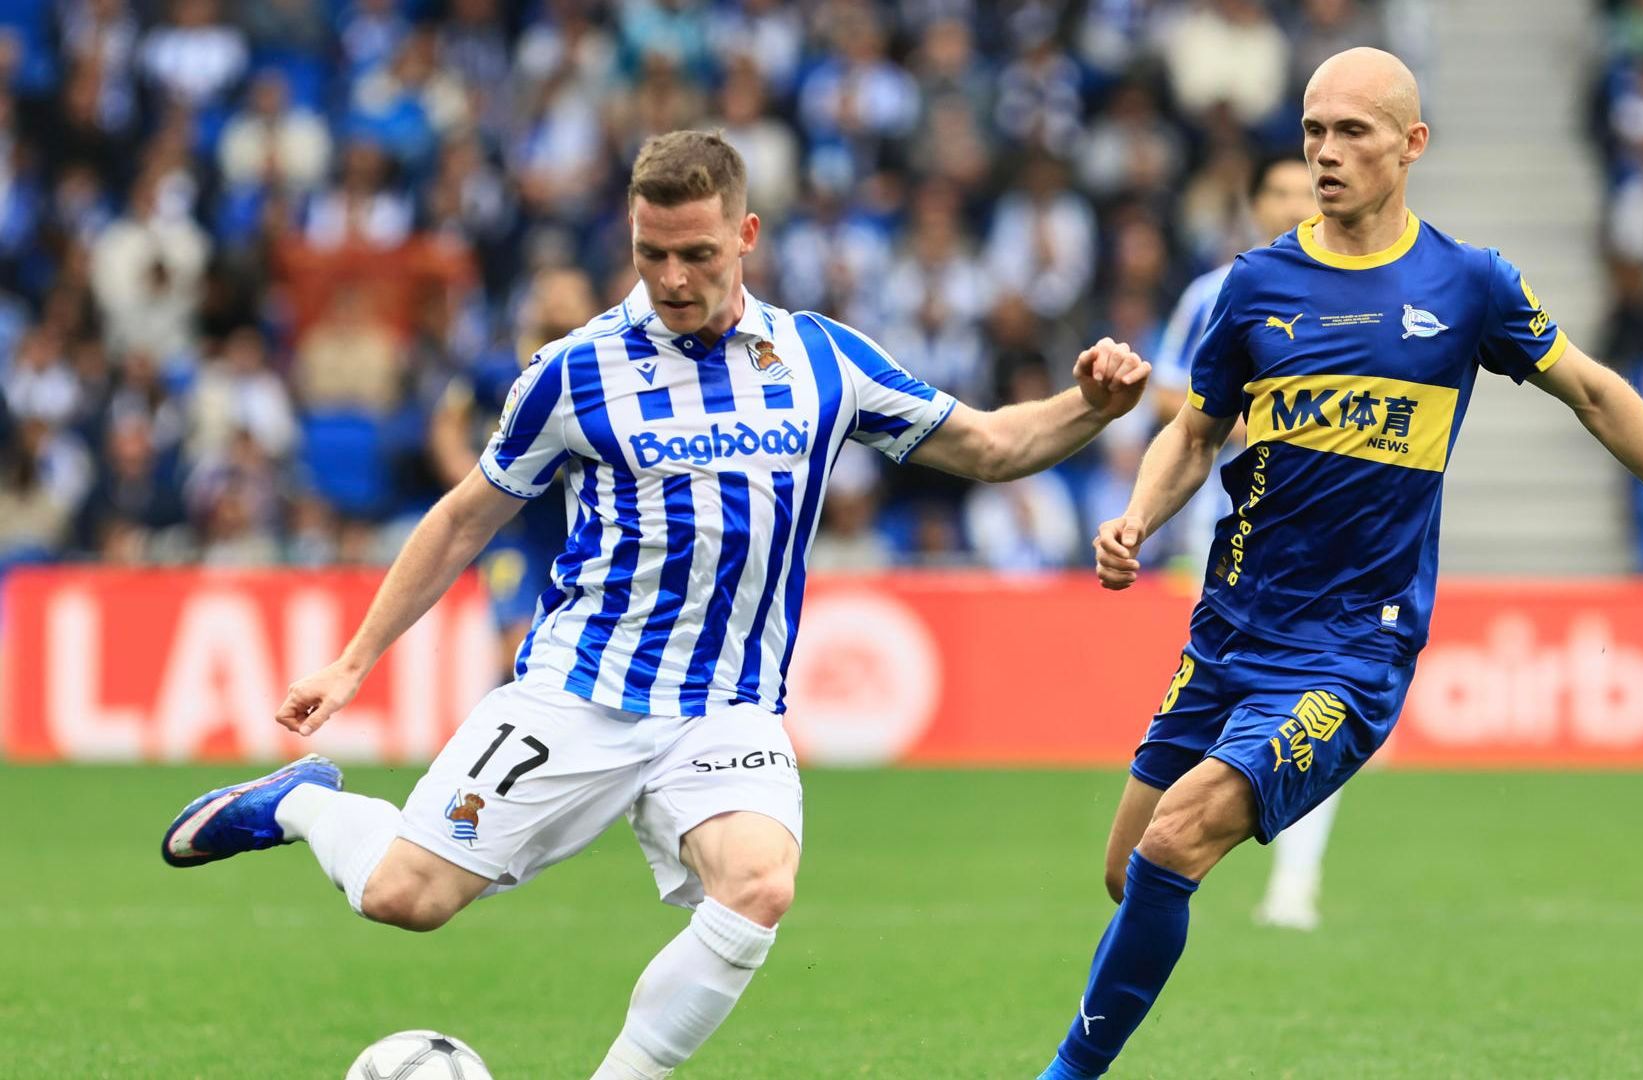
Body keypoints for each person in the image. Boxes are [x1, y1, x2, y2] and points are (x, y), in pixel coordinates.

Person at [157, 130, 1150, 1080]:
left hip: (725, 709)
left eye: (698, 254)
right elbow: (464, 519)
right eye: (651, 254)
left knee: (758, 884)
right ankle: (303, 802)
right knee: (405, 899)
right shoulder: (573, 372)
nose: (672, 278)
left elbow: (988, 446)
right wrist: (351, 662)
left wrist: (1090, 410)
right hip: (579, 692)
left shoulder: (821, 361)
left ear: (747, 238)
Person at [1036, 48, 1643, 1080]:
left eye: (1352, 131)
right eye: (1313, 131)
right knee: (1130, 872)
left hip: (1352, 650)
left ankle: (1064, 1076)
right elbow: (1196, 431)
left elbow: (1600, 393)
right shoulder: (1258, 286)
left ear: (1412, 144)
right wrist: (1134, 514)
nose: (1326, 152)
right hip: (1230, 628)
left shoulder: (1468, 285)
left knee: (1174, 842)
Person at [1147, 151, 1340, 930]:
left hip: (1327, 530)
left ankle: (1296, 877)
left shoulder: (1353, 293)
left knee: (1310, 705)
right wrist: (1263, 427)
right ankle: (1192, 848)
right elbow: (1168, 391)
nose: (1294, 204)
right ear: (1256, 204)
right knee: (1231, 697)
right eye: (1280, 192)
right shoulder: (1217, 293)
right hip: (1227, 529)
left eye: (1305, 191)